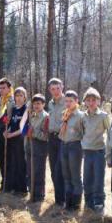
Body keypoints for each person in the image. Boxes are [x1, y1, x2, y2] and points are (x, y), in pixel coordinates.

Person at [81, 87, 110, 214]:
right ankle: (88, 202)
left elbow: (110, 133)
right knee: (87, 178)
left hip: (99, 151)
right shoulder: (83, 117)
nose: (91, 102)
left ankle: (99, 202)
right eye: (88, 100)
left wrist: (109, 152)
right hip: (87, 152)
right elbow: (82, 132)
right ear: (85, 102)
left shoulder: (103, 116)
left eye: (94, 100)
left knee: (98, 178)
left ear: (98, 101)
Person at [59, 90, 84, 211]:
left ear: (76, 101)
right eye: (66, 101)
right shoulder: (65, 114)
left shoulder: (80, 116)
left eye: (71, 101)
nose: (68, 103)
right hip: (64, 145)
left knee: (75, 175)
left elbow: (83, 133)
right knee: (66, 175)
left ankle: (76, 204)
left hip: (75, 146)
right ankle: (67, 202)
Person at [2, 87, 28, 194]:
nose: (18, 98)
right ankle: (12, 186)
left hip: (20, 139)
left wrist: (12, 134)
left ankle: (22, 188)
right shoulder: (13, 109)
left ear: (25, 97)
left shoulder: (26, 109)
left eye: (21, 95)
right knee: (12, 162)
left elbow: (24, 128)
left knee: (20, 163)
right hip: (11, 139)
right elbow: (10, 124)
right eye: (17, 95)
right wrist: (6, 131)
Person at [47, 78, 66, 206]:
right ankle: (58, 199)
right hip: (51, 137)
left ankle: (64, 198)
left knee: (61, 168)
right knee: (53, 168)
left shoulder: (67, 101)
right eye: (53, 89)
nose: (56, 91)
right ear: (50, 90)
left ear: (62, 87)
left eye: (58, 88)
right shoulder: (50, 103)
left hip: (63, 138)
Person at [28, 93, 49, 202]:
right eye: (34, 104)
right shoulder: (33, 115)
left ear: (43, 104)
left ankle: (40, 194)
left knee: (39, 170)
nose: (36, 106)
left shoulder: (46, 117)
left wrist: (34, 133)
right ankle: (32, 192)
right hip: (32, 144)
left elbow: (45, 136)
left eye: (38, 103)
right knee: (31, 169)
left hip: (41, 145)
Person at [0, 77, 14, 189]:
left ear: (9, 88)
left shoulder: (12, 101)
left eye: (4, 88)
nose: (1, 90)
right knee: (1, 158)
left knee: (8, 158)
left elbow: (13, 118)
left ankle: (9, 182)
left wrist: (9, 130)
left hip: (8, 133)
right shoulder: (0, 101)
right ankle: (4, 180)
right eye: (0, 88)